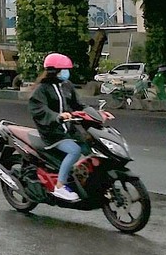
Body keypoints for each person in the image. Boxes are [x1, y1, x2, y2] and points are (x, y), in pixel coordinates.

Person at [28, 52, 109, 202]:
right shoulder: (42, 89)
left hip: (69, 130)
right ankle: (59, 187)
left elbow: (79, 104)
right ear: (54, 71)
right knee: (75, 151)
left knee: (91, 148)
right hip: (53, 133)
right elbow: (40, 110)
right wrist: (57, 117)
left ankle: (82, 180)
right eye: (64, 69)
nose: (67, 72)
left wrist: (97, 114)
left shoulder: (66, 85)